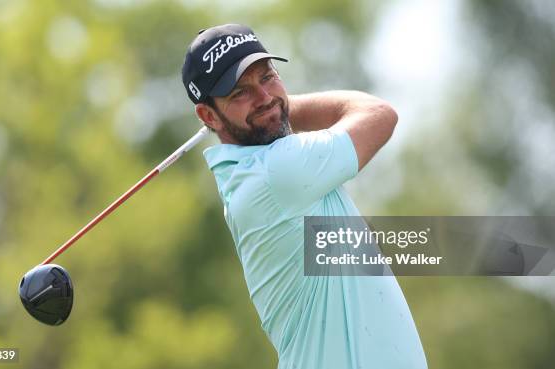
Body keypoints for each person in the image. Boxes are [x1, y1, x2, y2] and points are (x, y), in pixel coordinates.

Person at [181, 23, 428, 369]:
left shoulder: (255, 173)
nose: (263, 97)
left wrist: (268, 108)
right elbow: (378, 115)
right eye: (240, 93)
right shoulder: (278, 172)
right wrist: (278, 107)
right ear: (208, 115)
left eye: (267, 77)